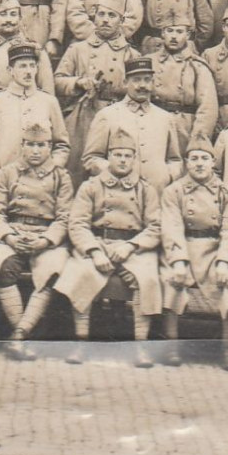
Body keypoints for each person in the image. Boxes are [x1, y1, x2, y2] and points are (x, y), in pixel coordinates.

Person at [55, 129, 164, 368]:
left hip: (134, 249)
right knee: (82, 274)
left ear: (134, 159)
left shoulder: (146, 189)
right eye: (117, 155)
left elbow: (155, 226)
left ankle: (141, 347)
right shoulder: (91, 187)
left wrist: (131, 245)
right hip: (98, 244)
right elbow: (78, 223)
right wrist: (93, 250)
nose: (123, 160)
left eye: (127, 155)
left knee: (147, 280)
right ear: (109, 157)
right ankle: (81, 343)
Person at [0, 122, 74, 360]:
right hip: (13, 232)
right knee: (3, 268)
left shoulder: (61, 177)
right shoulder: (6, 173)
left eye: (41, 145)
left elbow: (65, 216)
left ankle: (19, 336)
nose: (36, 151)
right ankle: (21, 334)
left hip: (45, 236)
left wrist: (46, 241)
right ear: (23, 146)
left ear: (50, 147)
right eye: (31, 145)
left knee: (51, 271)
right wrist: (9, 237)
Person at [159, 136, 228, 369]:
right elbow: (172, 227)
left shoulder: (226, 192)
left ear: (213, 162)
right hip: (183, 247)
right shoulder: (174, 191)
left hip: (213, 250)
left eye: (204, 159)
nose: (199, 163)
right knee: (171, 281)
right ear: (186, 162)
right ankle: (172, 346)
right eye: (194, 158)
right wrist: (178, 260)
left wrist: (225, 261)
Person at [53, 0, 132, 180]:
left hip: (116, 116)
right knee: (76, 166)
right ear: (93, 18)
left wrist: (119, 88)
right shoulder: (77, 50)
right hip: (82, 114)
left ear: (121, 21)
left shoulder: (130, 54)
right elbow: (57, 82)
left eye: (112, 16)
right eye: (101, 14)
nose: (105, 20)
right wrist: (79, 82)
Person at [82, 57, 184, 189]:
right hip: (118, 196)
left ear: (153, 83)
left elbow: (175, 160)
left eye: (147, 80)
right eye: (136, 80)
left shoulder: (165, 118)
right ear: (125, 83)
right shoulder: (107, 115)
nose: (142, 85)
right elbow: (91, 159)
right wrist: (116, 175)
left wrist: (168, 176)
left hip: (157, 195)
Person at [0, 40, 71, 173]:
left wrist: (51, 170)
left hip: (40, 184)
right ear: (10, 70)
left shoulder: (49, 102)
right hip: (3, 181)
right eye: (22, 66)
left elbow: (62, 145)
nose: (28, 71)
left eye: (32, 66)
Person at [146, 20, 218, 149]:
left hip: (183, 129)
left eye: (179, 32)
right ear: (163, 33)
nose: (174, 36)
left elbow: (207, 108)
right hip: (153, 125)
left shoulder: (197, 66)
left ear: (188, 35)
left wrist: (198, 140)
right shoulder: (149, 62)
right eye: (170, 31)